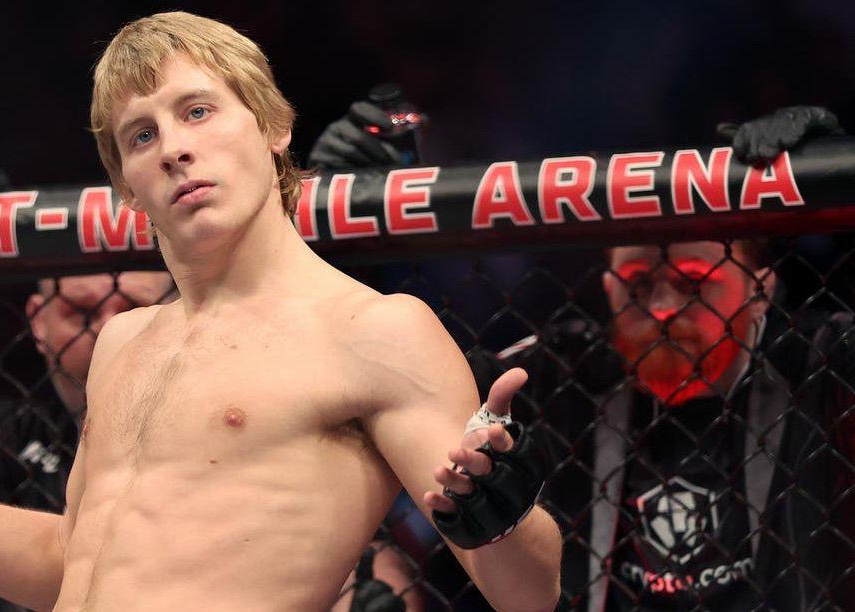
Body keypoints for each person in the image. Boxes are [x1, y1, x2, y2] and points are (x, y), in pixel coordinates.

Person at [0, 11, 561, 612]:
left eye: (198, 111)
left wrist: (502, 515)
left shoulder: (374, 330)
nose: (176, 148)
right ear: (127, 185)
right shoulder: (125, 340)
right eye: (142, 135)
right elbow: (73, 564)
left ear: (273, 128)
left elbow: (528, 594)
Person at [311, 100, 852, 609]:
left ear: (760, 290)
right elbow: (370, 393)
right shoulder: (557, 374)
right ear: (609, 288)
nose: (663, 309)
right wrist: (323, 243)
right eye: (639, 283)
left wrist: (840, 174)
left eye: (693, 282)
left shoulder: (820, 363)